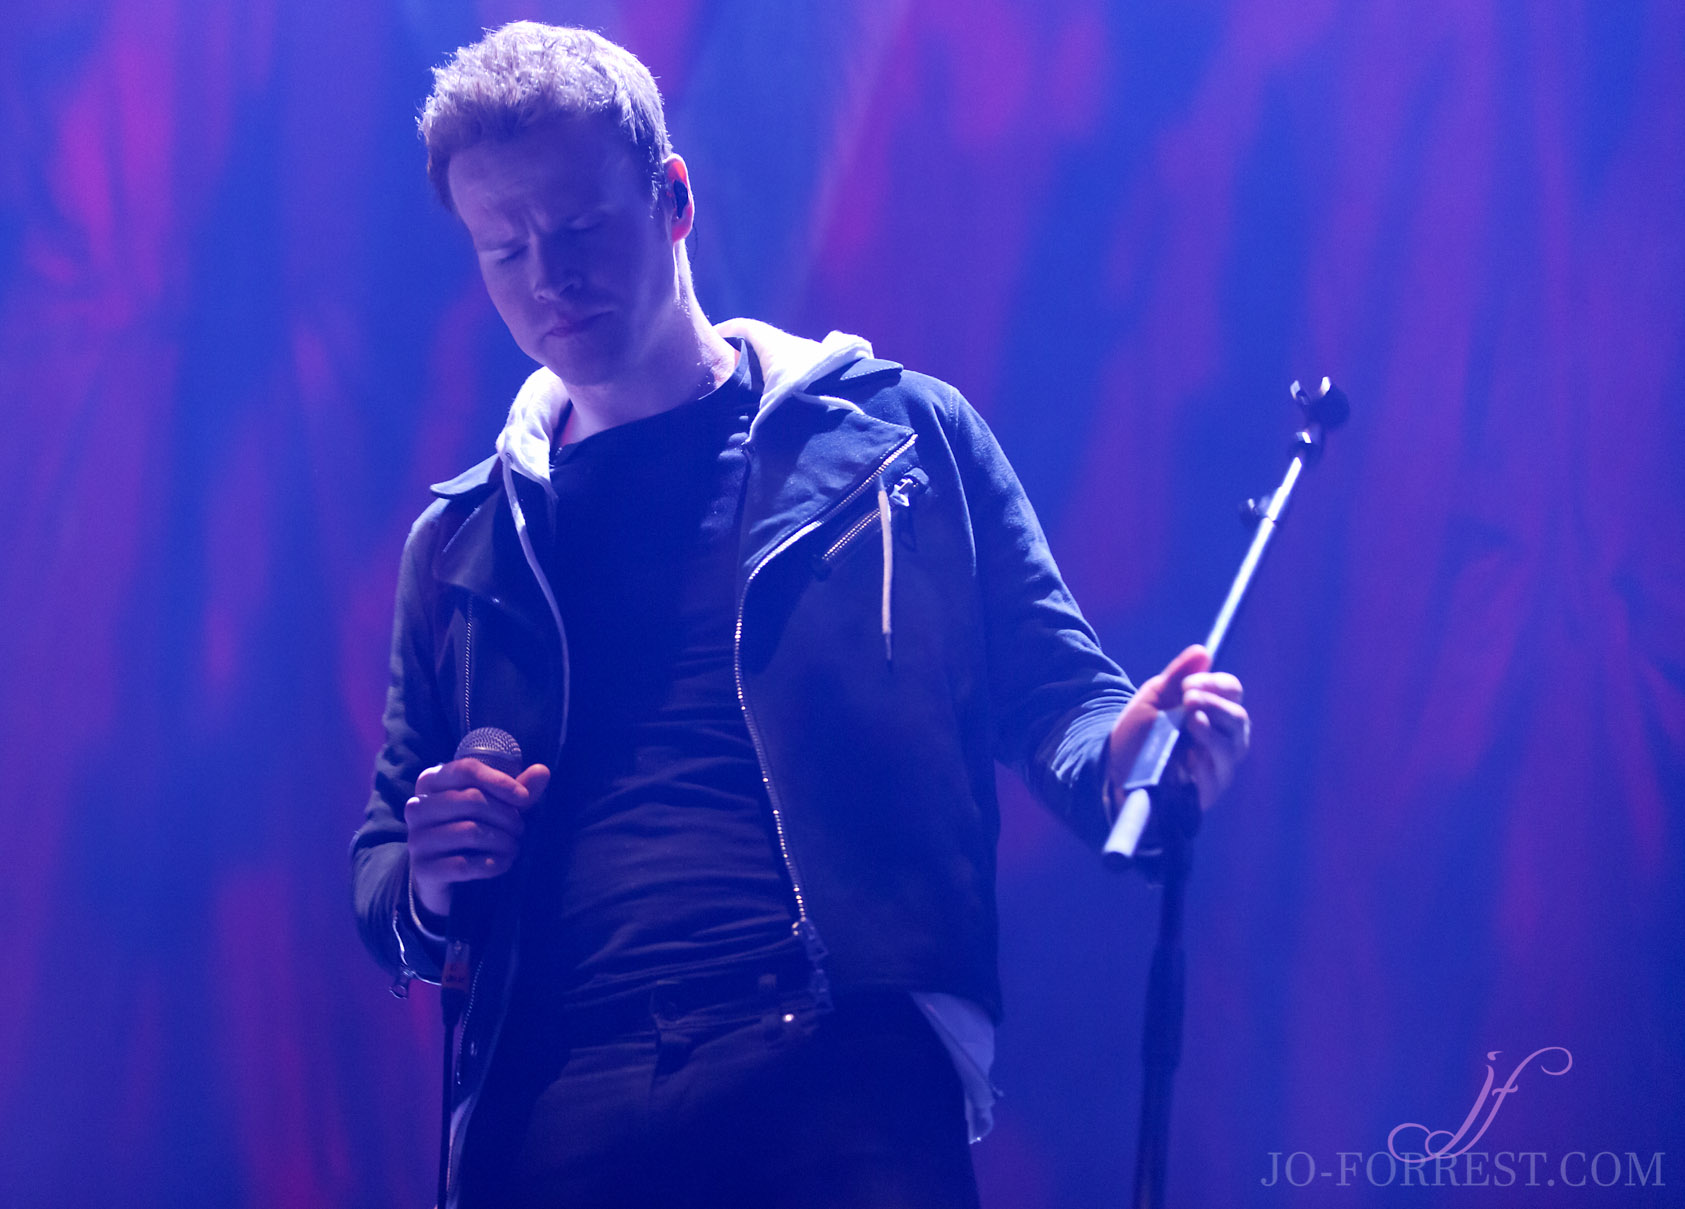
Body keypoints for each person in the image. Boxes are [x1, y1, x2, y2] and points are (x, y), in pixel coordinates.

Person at [350, 21, 1249, 1209]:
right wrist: (430, 871)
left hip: (832, 1071)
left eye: (577, 228)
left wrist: (1130, 752)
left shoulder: (895, 441)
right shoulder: (462, 542)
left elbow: (1059, 698)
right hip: (552, 1100)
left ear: (672, 198)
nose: (548, 277)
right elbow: (385, 868)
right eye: (504, 249)